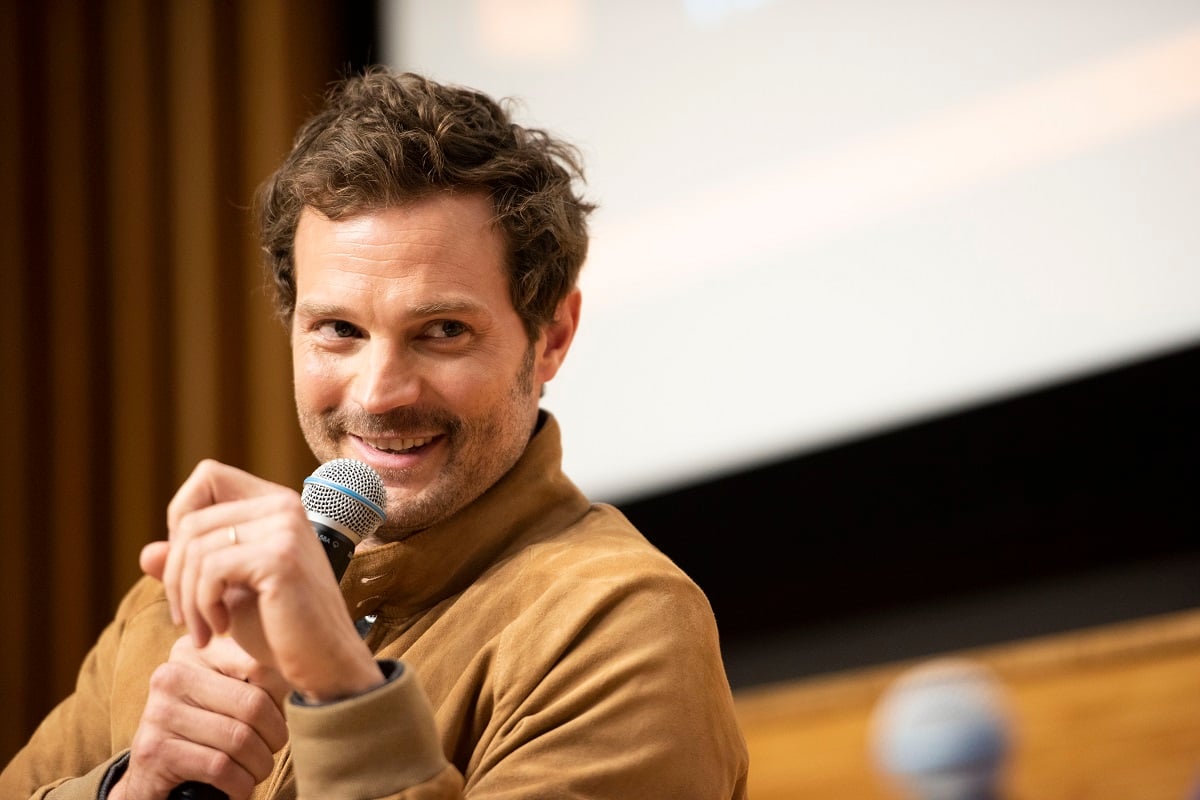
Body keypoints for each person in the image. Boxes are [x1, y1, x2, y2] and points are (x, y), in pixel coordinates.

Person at [1, 67, 750, 799]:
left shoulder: (620, 624)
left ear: (551, 336)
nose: (379, 394)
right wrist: (125, 789)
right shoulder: (171, 607)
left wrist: (341, 689)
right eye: (339, 330)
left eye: (443, 331)